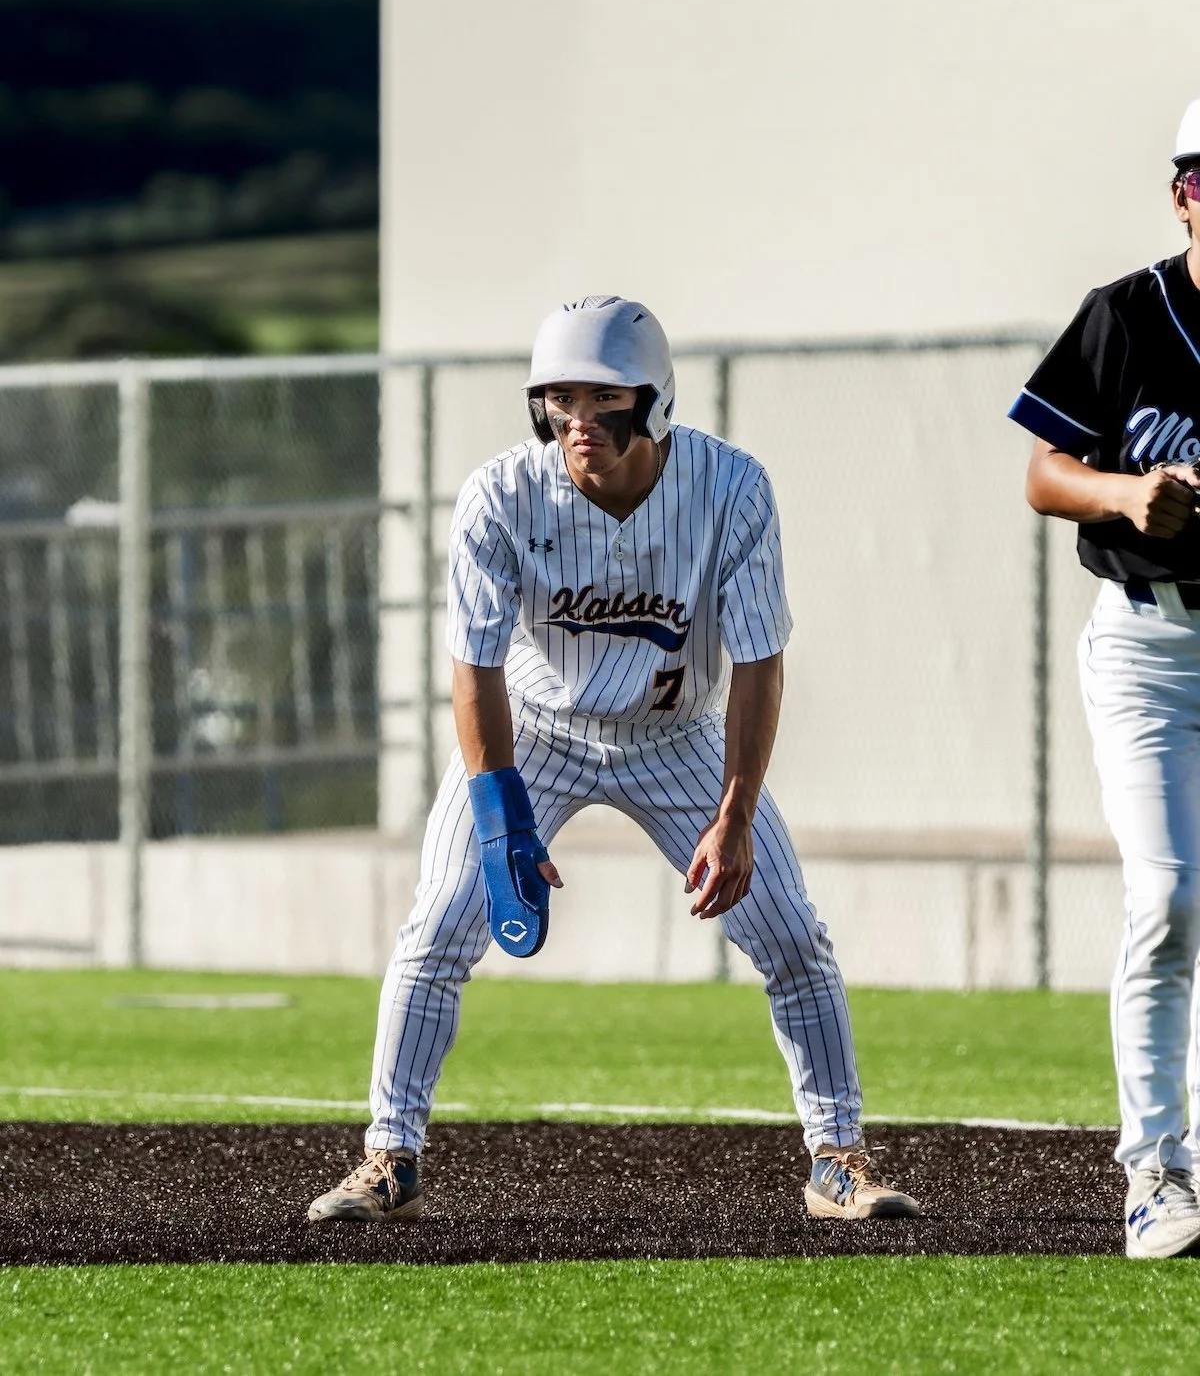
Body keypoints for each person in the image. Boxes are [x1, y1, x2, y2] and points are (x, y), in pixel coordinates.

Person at [308, 295, 919, 1225]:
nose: (578, 420)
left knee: (792, 936)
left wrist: (736, 813)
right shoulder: (501, 494)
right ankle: (388, 1156)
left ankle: (838, 1159)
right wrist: (500, 815)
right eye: (559, 398)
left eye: (603, 398)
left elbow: (759, 661)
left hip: (677, 739)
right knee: (438, 926)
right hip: (534, 736)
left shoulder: (730, 487)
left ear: (654, 401)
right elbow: (473, 667)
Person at [1009, 100, 1200, 1259]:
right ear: (1185, 193)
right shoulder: (1127, 314)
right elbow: (1044, 472)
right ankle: (1155, 1172)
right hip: (1148, 648)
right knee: (1169, 897)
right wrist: (1127, 495)